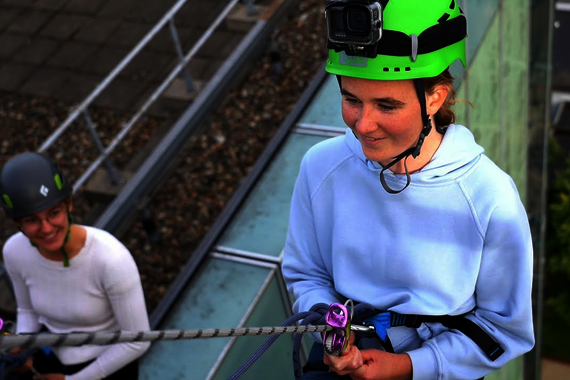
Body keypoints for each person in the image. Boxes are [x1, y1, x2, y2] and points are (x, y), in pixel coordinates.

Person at [282, 0, 535, 379]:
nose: (363, 125)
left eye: (386, 105)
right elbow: (307, 274)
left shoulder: (490, 198)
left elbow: (503, 329)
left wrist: (409, 365)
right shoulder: (322, 167)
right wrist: (334, 333)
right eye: (351, 99)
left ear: (434, 98)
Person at [0, 152, 150, 380]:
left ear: (68, 205)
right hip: (54, 357)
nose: (47, 228)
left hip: (109, 365)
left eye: (54, 213)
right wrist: (22, 343)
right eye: (31, 220)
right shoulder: (15, 252)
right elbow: (27, 310)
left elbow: (138, 342)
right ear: (18, 223)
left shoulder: (111, 259)